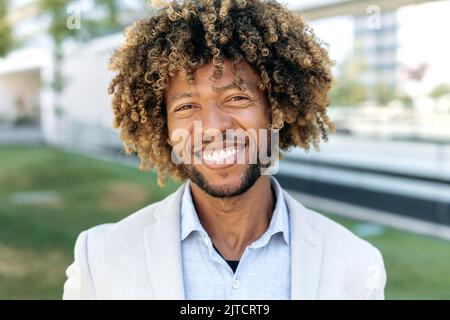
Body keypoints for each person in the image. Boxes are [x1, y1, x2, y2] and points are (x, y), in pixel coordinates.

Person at [63, 0, 386, 299]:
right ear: (166, 130)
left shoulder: (356, 266)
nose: (214, 126)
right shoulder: (100, 260)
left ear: (276, 110)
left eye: (236, 98)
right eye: (187, 106)